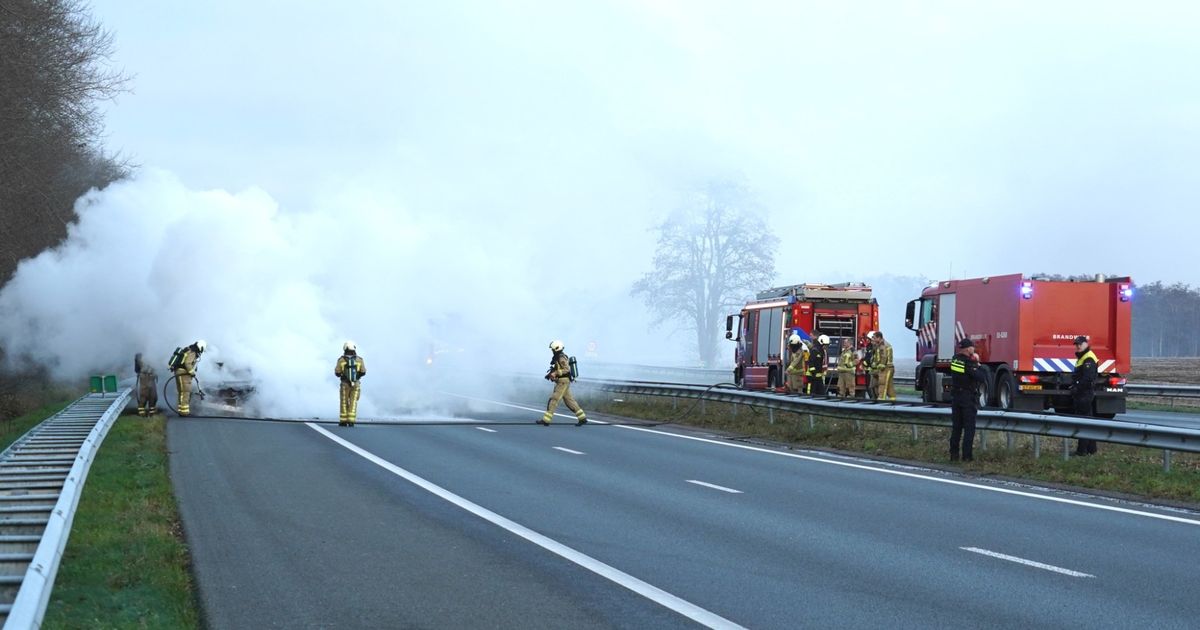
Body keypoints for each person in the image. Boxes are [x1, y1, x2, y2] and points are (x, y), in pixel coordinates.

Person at [950, 338, 988, 462]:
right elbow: (981, 377)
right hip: (967, 398)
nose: (974, 349)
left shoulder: (955, 360)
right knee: (969, 428)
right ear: (968, 349)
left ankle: (954, 455)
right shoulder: (968, 362)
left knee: (956, 428)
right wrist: (978, 364)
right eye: (972, 347)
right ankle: (967, 457)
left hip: (956, 397)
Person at [540, 340, 587, 426]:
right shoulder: (558, 357)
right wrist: (551, 374)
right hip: (563, 381)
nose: (552, 351)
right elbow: (558, 368)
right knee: (569, 401)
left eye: (553, 349)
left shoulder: (561, 357)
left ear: (557, 349)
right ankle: (582, 418)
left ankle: (546, 420)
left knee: (554, 399)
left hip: (563, 382)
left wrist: (556, 373)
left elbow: (566, 369)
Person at [1072, 335, 1099, 455]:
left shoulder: (1088, 358)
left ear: (1086, 344)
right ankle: (1091, 450)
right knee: (1088, 421)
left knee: (1082, 422)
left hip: (1084, 394)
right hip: (1084, 393)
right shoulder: (1083, 357)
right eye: (1076, 344)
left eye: (1080, 344)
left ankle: (1081, 450)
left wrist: (1077, 388)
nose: (1078, 346)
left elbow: (1087, 379)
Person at [335, 341, 367, 427]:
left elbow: (337, 373)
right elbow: (363, 372)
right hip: (356, 384)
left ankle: (343, 421)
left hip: (344, 384)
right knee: (353, 401)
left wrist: (343, 374)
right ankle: (351, 420)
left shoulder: (341, 360)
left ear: (345, 348)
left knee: (344, 401)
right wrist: (356, 377)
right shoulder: (359, 360)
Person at [172, 340, 205, 416]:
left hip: (179, 372)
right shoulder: (192, 352)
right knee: (186, 392)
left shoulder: (188, 349)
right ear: (201, 347)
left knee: (181, 392)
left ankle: (181, 411)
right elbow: (187, 363)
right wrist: (192, 372)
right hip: (184, 374)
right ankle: (184, 412)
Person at [872, 331, 896, 401]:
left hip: (886, 368)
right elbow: (877, 357)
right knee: (889, 386)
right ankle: (892, 399)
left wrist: (880, 365)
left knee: (882, 383)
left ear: (879, 338)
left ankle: (881, 399)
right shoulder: (879, 345)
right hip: (887, 367)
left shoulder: (883, 345)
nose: (873, 339)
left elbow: (884, 357)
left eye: (874, 338)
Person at [862, 332, 877, 399]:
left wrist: (865, 362)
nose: (867, 340)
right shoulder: (868, 346)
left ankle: (874, 398)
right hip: (868, 370)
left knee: (872, 386)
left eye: (868, 339)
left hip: (872, 371)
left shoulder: (875, 347)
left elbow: (871, 358)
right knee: (868, 386)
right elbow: (867, 356)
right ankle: (872, 398)